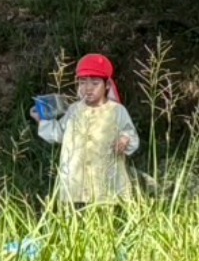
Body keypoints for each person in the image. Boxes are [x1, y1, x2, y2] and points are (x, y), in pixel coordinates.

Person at [34, 52, 140, 206]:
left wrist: (124, 140)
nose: (88, 88)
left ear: (107, 85)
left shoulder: (117, 110)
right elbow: (59, 132)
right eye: (82, 83)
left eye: (95, 83)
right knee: (76, 214)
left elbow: (130, 133)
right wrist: (42, 121)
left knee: (105, 211)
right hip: (75, 183)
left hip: (107, 180)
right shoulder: (74, 110)